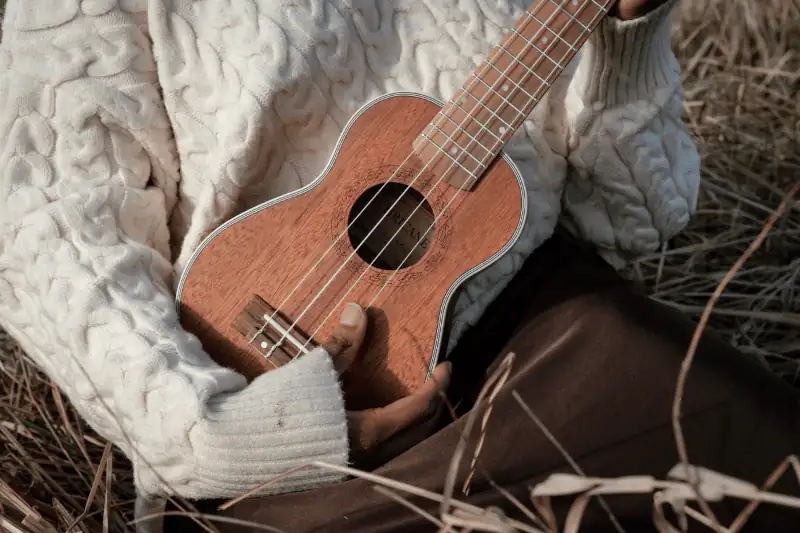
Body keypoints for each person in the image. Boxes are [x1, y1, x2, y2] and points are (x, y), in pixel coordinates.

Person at [1, 0, 796, 532]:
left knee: (759, 447)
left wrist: (627, 42)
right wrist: (224, 436)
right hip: (267, 394)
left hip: (541, 331)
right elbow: (46, 227)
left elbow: (637, 222)